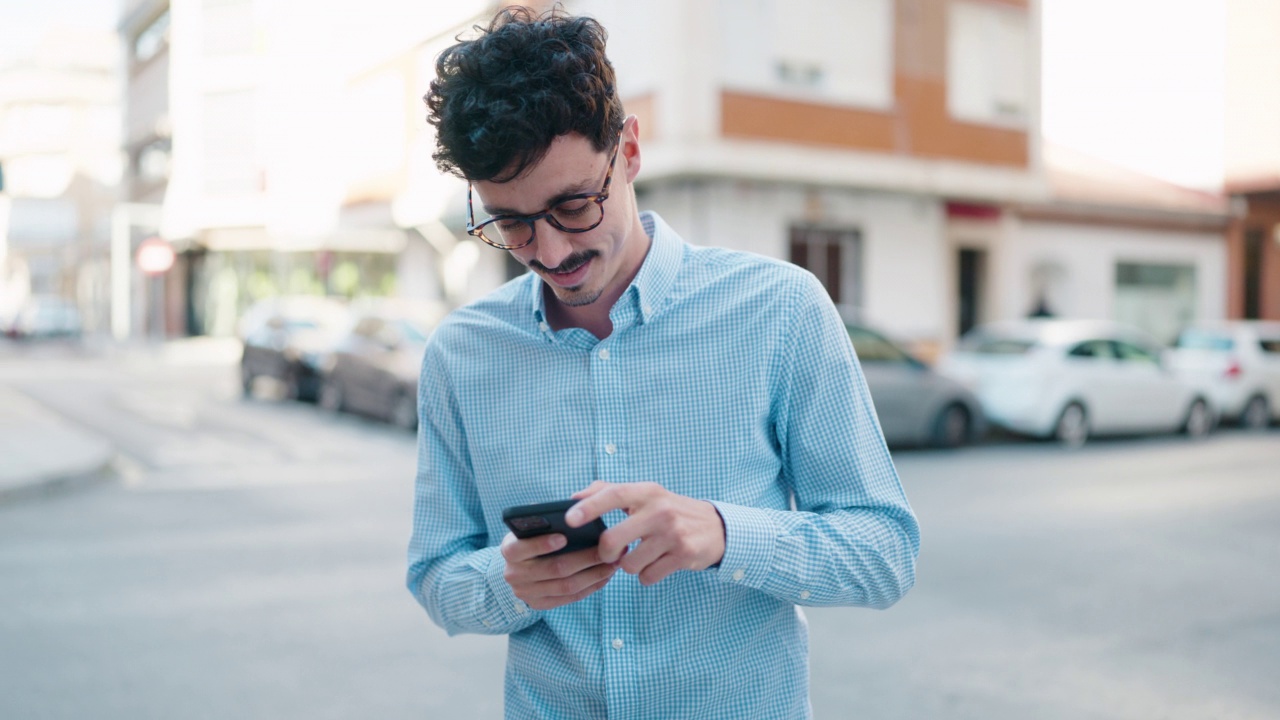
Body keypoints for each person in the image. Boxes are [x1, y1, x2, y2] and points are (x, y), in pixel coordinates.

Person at [406, 7, 919, 718]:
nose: (551, 253)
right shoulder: (461, 355)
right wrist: (508, 581)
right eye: (512, 223)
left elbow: (884, 554)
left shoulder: (782, 310)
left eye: (575, 205)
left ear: (631, 150)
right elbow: (435, 575)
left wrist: (727, 535)